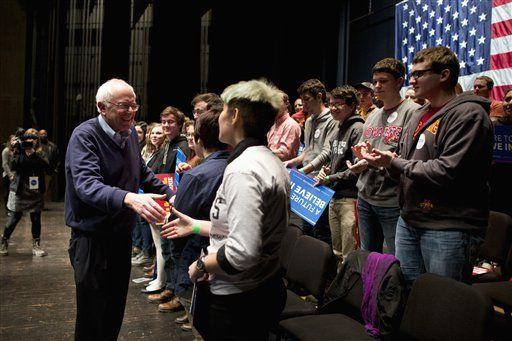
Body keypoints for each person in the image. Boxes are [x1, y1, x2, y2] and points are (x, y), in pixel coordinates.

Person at [162, 79, 288, 340]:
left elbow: (242, 252)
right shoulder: (265, 159)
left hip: (239, 299)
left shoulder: (244, 169)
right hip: (258, 288)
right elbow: (245, 228)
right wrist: (195, 226)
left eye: (222, 111)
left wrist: (201, 265)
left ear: (235, 115)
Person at [359, 46, 494, 285]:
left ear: (443, 75)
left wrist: (394, 161)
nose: (412, 80)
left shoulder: (469, 114)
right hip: (410, 219)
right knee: (408, 296)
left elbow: (447, 170)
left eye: (419, 74)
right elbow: (404, 161)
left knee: (441, 304)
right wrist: (382, 162)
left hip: (448, 226)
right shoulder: (418, 114)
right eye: (412, 74)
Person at [65, 78, 174, 340]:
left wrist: (173, 196)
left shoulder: (128, 134)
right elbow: (87, 185)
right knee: (93, 317)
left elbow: (143, 173)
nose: (131, 112)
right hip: (92, 240)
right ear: (102, 107)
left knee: (114, 311)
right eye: (124, 106)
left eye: (134, 105)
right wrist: (130, 199)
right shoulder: (85, 136)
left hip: (119, 236)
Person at [159, 110, 229, 333]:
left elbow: (177, 221)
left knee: (201, 323)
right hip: (229, 260)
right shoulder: (237, 167)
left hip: (197, 256)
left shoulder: (196, 176)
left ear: (198, 140)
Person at [352, 58, 421, 255]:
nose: (377, 86)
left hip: (392, 200)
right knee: (368, 254)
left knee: (397, 259)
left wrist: (382, 162)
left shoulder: (413, 112)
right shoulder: (373, 115)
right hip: (365, 195)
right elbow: (365, 150)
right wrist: (360, 161)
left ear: (399, 82)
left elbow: (410, 158)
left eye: (383, 81)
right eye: (375, 81)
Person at [301, 85, 364, 264]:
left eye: (339, 104)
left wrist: (328, 178)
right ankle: (335, 289)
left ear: (351, 105)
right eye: (331, 104)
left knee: (349, 253)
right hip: (334, 195)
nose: (333, 108)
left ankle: (348, 290)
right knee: (336, 251)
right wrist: (326, 169)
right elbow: (334, 156)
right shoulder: (338, 127)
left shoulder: (358, 128)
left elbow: (356, 169)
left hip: (350, 198)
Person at [284, 79, 338, 245]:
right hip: (307, 181)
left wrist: (305, 170)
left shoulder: (332, 120)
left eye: (307, 99)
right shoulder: (308, 121)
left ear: (319, 96)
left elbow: (327, 152)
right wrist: (291, 163)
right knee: (306, 229)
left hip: (322, 181)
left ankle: (325, 268)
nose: (303, 104)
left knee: (322, 231)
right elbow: (307, 151)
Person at [0, 129, 54, 257]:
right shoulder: (18, 152)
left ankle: (36, 246)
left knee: (36, 219)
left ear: (37, 141)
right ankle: (4, 240)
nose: (31, 141)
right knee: (14, 218)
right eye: (28, 139)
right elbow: (14, 165)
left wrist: (33, 154)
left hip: (35, 192)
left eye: (34, 139)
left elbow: (49, 169)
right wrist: (19, 151)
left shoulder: (41, 153)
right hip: (20, 190)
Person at [267, 90, 301, 161]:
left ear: (287, 103)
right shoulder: (273, 125)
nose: (274, 105)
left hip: (283, 169)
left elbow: (283, 154)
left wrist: (262, 153)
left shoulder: (291, 125)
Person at [2, 135, 16, 213]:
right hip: (8, 174)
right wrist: (10, 175)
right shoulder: (6, 150)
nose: (14, 141)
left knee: (14, 192)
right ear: (9, 141)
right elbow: (5, 164)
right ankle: (7, 209)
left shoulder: (17, 150)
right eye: (12, 140)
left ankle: (13, 208)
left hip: (16, 174)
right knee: (7, 192)